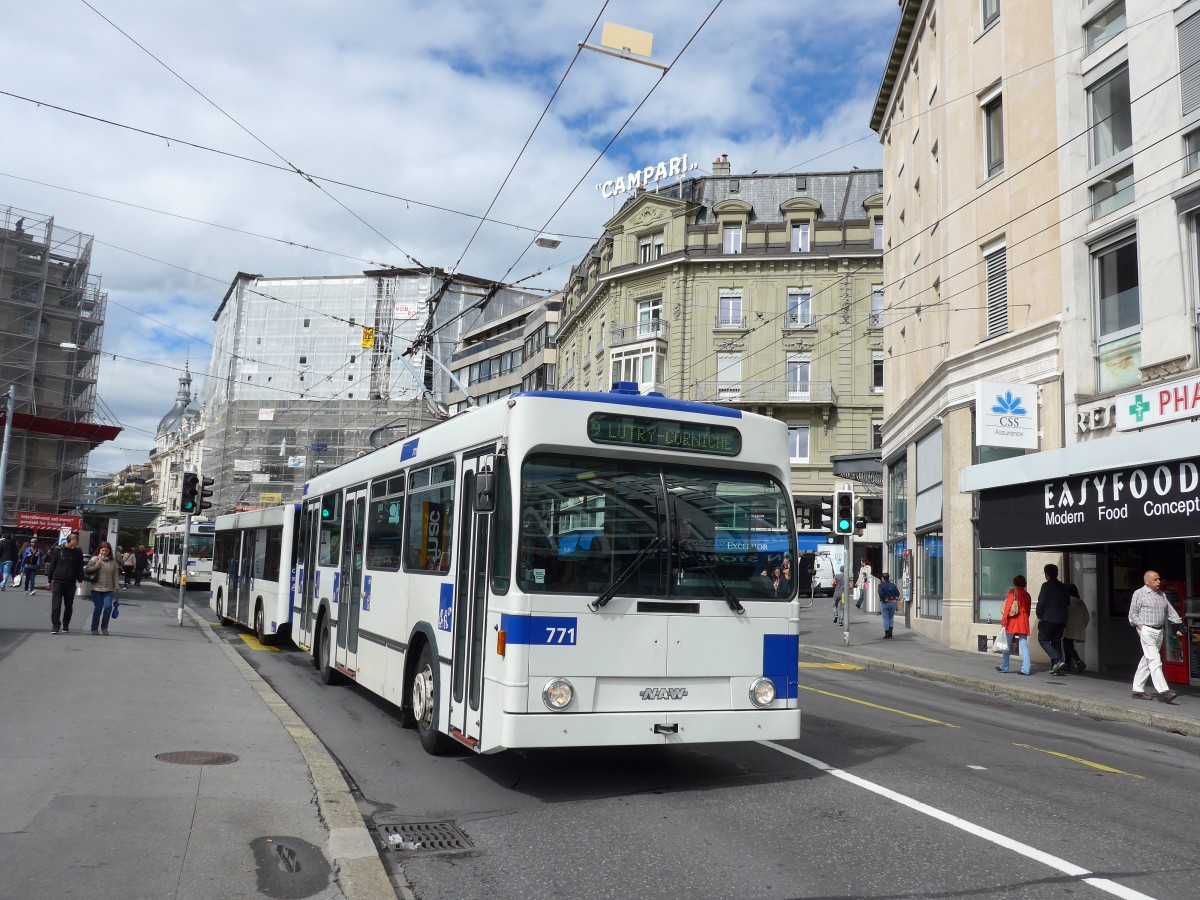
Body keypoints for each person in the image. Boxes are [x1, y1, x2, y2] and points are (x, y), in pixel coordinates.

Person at [1128, 570, 1184, 703]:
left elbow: (1170, 611)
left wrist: (1177, 626)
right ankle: (1165, 691)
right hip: (1147, 630)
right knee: (1155, 660)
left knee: (1147, 660)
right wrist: (1141, 627)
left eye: (1159, 579)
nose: (1159, 581)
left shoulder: (1161, 595)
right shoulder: (1139, 593)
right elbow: (1132, 614)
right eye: (1155, 579)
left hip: (1159, 631)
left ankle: (1137, 690)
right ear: (1146, 581)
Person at [1035, 563, 1070, 675]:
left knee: (1043, 639)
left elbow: (1041, 603)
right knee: (1056, 642)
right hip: (1062, 619)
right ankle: (1056, 667)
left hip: (1049, 618)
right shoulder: (1063, 586)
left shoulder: (1046, 586)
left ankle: (1058, 660)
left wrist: (1039, 615)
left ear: (1047, 574)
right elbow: (1067, 602)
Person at [46, 534, 85, 634]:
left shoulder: (78, 552)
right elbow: (52, 565)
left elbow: (80, 567)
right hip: (58, 580)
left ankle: (66, 624)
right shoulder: (58, 550)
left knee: (68, 605)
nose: (73, 547)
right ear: (67, 542)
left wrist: (80, 581)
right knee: (56, 604)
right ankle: (55, 625)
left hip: (71, 582)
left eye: (75, 545)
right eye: (71, 545)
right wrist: (49, 581)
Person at [995, 575, 1032, 676]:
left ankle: (1005, 667)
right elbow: (1028, 610)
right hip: (1023, 620)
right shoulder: (1027, 594)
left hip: (1013, 621)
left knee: (1007, 645)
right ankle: (1026, 668)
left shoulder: (1012, 592)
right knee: (1024, 645)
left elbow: (1007, 608)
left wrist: (1003, 621)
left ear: (1015, 582)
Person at [85, 542, 121, 635]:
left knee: (108, 607)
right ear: (99, 550)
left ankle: (104, 627)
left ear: (109, 551)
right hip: (96, 587)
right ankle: (94, 628)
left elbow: (115, 575)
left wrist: (116, 586)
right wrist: (97, 565)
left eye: (106, 550)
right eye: (102, 550)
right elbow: (87, 570)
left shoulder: (113, 561)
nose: (104, 552)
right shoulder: (94, 559)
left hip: (108, 588)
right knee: (98, 607)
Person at [1063, 583, 1090, 674]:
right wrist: (1082, 626)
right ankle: (1067, 664)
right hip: (1078, 627)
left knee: (1067, 644)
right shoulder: (1081, 602)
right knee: (1068, 643)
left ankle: (1079, 662)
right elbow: (1087, 617)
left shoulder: (1067, 601)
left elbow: (1064, 614)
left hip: (1069, 626)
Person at [877, 572, 901, 638]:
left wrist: (884, 599)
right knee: (891, 617)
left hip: (884, 603)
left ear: (882, 578)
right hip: (893, 602)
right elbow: (898, 593)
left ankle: (887, 633)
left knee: (885, 618)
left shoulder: (881, 585)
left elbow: (880, 593)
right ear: (888, 578)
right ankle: (890, 632)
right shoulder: (893, 585)